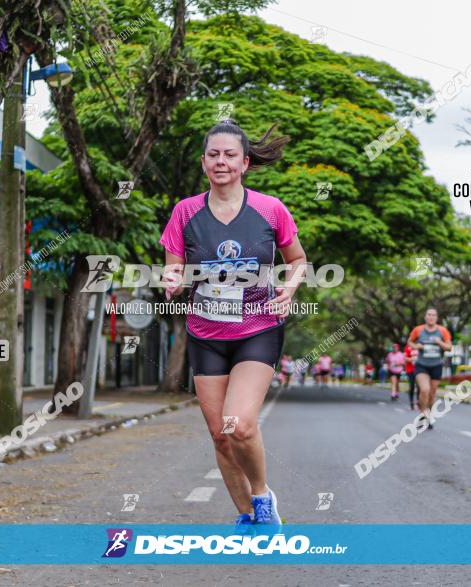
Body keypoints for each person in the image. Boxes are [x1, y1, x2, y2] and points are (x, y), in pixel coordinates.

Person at [160, 118, 306, 531]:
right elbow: (175, 264)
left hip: (257, 331)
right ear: (204, 162)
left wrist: (290, 287)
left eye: (229, 155)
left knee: (238, 424)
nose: (221, 161)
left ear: (244, 163)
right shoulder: (185, 211)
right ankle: (247, 516)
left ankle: (262, 499)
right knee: (220, 435)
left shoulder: (270, 209)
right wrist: (172, 278)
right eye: (213, 154)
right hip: (206, 334)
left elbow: (297, 260)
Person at [408, 308, 453, 429]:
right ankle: (423, 415)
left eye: (433, 315)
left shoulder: (442, 331)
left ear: (436, 318)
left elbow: (449, 347)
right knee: (424, 390)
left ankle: (429, 416)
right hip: (421, 365)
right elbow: (410, 342)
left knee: (432, 394)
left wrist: (440, 343)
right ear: (425, 317)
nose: (431, 317)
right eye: (429, 315)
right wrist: (416, 346)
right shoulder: (418, 330)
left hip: (436, 365)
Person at [404, 342, 418, 410]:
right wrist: (412, 359)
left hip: (420, 370)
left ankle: (418, 403)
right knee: (412, 386)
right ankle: (411, 403)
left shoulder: (420, 345)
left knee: (420, 387)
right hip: (410, 370)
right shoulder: (408, 347)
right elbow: (405, 358)